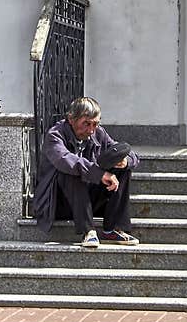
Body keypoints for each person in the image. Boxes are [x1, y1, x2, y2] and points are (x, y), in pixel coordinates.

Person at [34, 96, 140, 248]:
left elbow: (128, 153)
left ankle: (113, 229)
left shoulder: (99, 133)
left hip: (88, 200)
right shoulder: (54, 135)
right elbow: (66, 160)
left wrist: (125, 161)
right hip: (59, 203)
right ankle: (88, 231)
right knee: (70, 170)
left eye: (95, 124)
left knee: (122, 169)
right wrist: (100, 174)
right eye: (86, 124)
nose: (91, 130)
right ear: (71, 119)